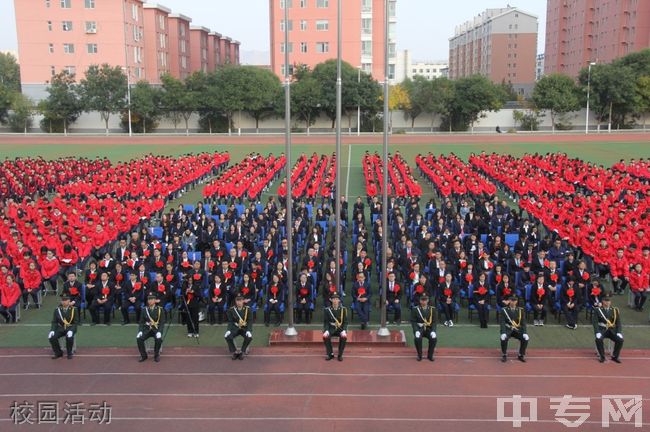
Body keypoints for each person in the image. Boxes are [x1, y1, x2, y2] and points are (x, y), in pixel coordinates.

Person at [592, 293, 624, 363]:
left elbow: (618, 322)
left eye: (609, 301)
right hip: (602, 329)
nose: (608, 302)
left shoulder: (614, 310)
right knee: (598, 339)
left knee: (620, 340)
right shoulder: (598, 310)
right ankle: (602, 356)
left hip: (612, 330)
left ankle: (615, 356)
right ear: (603, 301)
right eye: (606, 301)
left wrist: (618, 332)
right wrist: (597, 332)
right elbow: (595, 322)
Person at [48, 293, 79, 359]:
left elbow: (76, 322)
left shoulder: (74, 309)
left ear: (69, 301)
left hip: (70, 327)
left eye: (66, 300)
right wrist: (52, 330)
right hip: (61, 328)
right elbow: (54, 322)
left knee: (69, 337)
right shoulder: (57, 310)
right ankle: (58, 352)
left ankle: (69, 353)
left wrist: (71, 330)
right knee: (52, 337)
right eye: (63, 300)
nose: (64, 302)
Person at [137, 293, 165, 363]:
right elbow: (141, 322)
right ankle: (144, 355)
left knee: (158, 339)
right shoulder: (144, 310)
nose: (150, 301)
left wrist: (160, 331)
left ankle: (156, 355)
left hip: (156, 329)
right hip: (147, 329)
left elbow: (162, 322)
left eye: (152, 299)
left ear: (155, 300)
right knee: (139, 339)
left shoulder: (160, 309)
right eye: (149, 299)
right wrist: (140, 331)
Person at [499, 295, 529, 363]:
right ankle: (504, 354)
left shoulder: (520, 310)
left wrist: (525, 332)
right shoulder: (504, 310)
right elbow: (502, 322)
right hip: (508, 329)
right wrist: (503, 332)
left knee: (525, 338)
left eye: (515, 301)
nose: (513, 302)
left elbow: (523, 322)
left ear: (516, 301)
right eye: (512, 300)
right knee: (503, 338)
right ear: (509, 301)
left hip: (517, 330)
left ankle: (521, 355)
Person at [225, 294, 253, 360]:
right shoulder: (231, 310)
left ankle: (242, 351)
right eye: (237, 300)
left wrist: (249, 330)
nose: (238, 302)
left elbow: (250, 321)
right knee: (228, 337)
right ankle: (234, 352)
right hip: (235, 328)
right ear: (235, 301)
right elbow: (230, 321)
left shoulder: (248, 309)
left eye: (240, 300)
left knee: (249, 337)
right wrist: (228, 330)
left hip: (244, 328)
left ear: (243, 301)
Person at [410, 294, 437, 361]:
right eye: (422, 300)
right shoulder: (415, 309)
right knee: (417, 338)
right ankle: (419, 355)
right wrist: (416, 330)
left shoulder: (432, 309)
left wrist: (433, 331)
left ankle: (430, 355)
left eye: (425, 300)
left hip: (429, 328)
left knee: (433, 338)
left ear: (427, 300)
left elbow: (434, 321)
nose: (424, 302)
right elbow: (413, 321)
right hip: (420, 328)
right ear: (420, 301)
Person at [323, 293, 348, 361]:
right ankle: (330, 354)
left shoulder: (343, 309)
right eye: (333, 299)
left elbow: (345, 322)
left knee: (344, 337)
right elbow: (326, 322)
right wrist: (326, 330)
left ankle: (340, 355)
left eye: (336, 299)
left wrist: (344, 330)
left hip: (340, 329)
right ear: (331, 300)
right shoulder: (327, 310)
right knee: (325, 336)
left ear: (339, 300)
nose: (335, 301)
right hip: (331, 328)